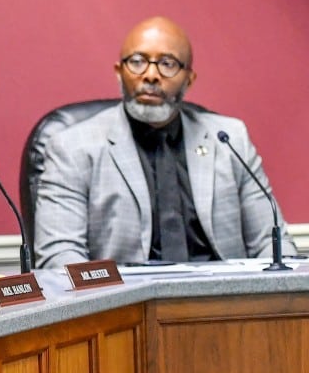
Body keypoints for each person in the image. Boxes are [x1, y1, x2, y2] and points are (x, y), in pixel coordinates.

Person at [33, 16, 296, 269]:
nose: (150, 75)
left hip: (221, 304)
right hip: (124, 307)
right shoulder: (72, 147)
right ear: (118, 72)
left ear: (189, 79)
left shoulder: (229, 139)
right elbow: (60, 255)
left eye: (168, 64)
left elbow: (272, 244)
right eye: (137, 62)